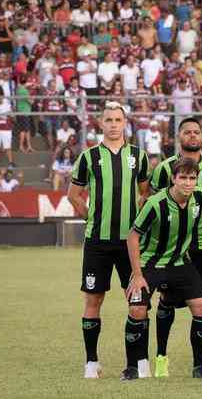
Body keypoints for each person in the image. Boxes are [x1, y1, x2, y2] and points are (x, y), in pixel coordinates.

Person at [121, 157, 202, 381]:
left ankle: (198, 367)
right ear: (173, 179)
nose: (188, 183)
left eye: (192, 178)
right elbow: (133, 236)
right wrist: (137, 275)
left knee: (201, 306)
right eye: (183, 178)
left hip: (180, 262)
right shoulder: (155, 203)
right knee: (137, 310)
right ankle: (131, 367)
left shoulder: (198, 196)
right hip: (151, 263)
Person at [67, 102, 150, 379]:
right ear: (100, 124)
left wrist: (138, 223)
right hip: (98, 243)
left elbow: (145, 194)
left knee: (138, 302)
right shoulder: (88, 157)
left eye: (118, 119)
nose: (114, 124)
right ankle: (91, 362)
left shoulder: (139, 156)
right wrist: (91, 218)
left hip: (130, 243)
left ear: (125, 123)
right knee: (94, 298)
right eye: (109, 120)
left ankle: (138, 362)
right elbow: (74, 195)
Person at [148, 117, 202, 377]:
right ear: (178, 136)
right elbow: (153, 203)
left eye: (196, 132)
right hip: (171, 250)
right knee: (166, 301)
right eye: (187, 132)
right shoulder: (164, 168)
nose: (192, 136)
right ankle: (161, 357)